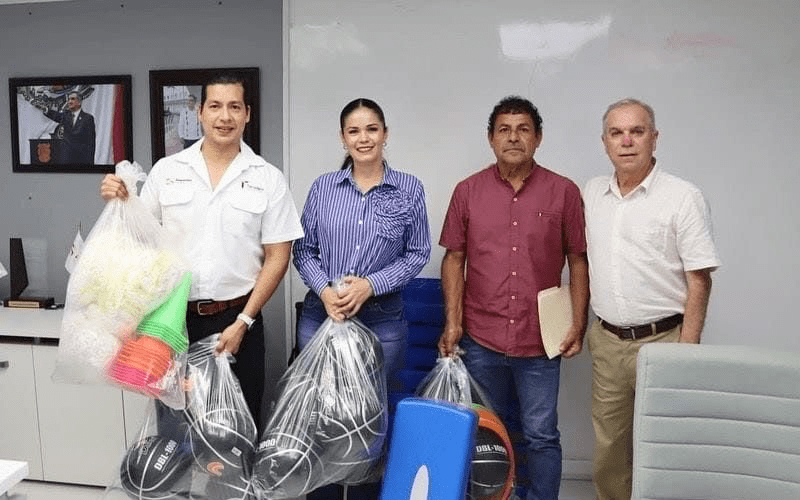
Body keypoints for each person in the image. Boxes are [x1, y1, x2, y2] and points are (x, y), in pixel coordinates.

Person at [100, 73, 303, 431]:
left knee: (238, 431)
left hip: (238, 322)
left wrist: (244, 322)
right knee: (176, 428)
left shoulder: (267, 178)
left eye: (234, 107)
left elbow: (278, 257)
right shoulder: (167, 170)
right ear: (199, 113)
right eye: (215, 106)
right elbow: (140, 240)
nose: (225, 116)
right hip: (172, 321)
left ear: (247, 114)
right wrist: (121, 200)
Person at [438, 96, 589, 500]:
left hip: (540, 340)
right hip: (481, 337)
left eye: (523, 129)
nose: (513, 137)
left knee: (541, 435)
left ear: (538, 138)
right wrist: (453, 322)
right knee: (487, 432)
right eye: (504, 130)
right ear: (491, 138)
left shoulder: (564, 192)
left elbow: (578, 261)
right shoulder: (468, 191)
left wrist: (578, 323)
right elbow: (454, 259)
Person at [292, 97, 431, 500]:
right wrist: (325, 290)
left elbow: (418, 252)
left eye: (372, 129)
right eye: (354, 131)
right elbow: (303, 250)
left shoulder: (408, 189)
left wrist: (370, 285)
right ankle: (322, 492)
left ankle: (365, 493)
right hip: (323, 314)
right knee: (322, 409)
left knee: (370, 414)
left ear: (385, 134)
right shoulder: (323, 187)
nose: (363, 138)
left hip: (382, 317)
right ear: (343, 138)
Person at [584, 98, 720, 500]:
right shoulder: (592, 194)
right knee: (610, 448)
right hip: (608, 343)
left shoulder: (682, 197)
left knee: (663, 444)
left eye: (637, 132)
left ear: (654, 138)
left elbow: (699, 278)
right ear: (605, 142)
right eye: (616, 133)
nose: (626, 141)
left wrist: (686, 350)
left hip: (665, 342)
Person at [42, 91, 95, 164]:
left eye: (72, 99)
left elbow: (91, 142)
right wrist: (46, 110)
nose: (69, 102)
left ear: (79, 102)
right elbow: (56, 116)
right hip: (66, 159)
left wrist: (91, 162)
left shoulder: (88, 118)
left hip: (81, 159)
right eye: (68, 99)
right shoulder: (65, 116)